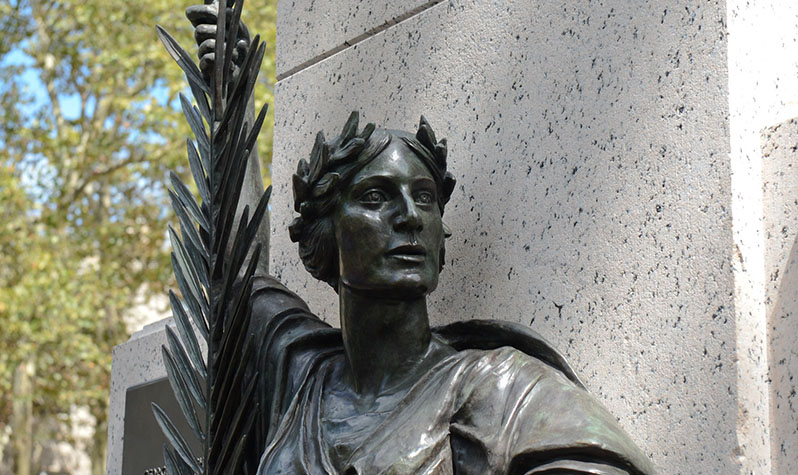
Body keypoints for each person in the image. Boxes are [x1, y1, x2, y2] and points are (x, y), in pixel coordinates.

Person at [187, 5, 655, 474]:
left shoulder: (500, 388)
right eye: (376, 197)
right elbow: (236, 276)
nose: (410, 217)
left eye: (425, 198)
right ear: (325, 233)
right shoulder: (299, 376)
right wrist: (231, 102)